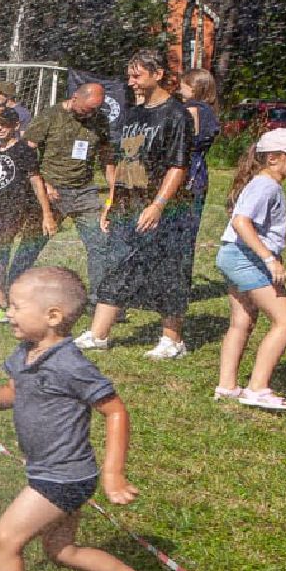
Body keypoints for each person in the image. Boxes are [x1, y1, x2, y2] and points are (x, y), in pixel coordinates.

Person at [0, 266, 173, 571]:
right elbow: (16, 389)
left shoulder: (70, 364)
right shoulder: (26, 353)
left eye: (17, 307)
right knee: (63, 551)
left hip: (62, 477)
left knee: (5, 540)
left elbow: (115, 411)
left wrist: (113, 475)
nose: (9, 313)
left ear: (52, 316)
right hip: (54, 472)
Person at [75, 51, 192, 358]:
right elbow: (120, 163)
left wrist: (158, 205)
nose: (131, 82)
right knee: (116, 264)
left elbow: (177, 166)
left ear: (158, 74)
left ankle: (172, 339)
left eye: (137, 76)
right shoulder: (131, 115)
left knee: (169, 269)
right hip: (127, 204)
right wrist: (111, 202)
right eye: (129, 76)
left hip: (162, 208)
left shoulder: (175, 114)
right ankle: (99, 334)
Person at [213, 129, 286, 411]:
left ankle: (227, 386)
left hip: (232, 255)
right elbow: (241, 222)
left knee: (242, 322)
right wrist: (270, 259)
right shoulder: (266, 185)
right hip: (246, 258)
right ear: (273, 158)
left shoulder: (264, 183)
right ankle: (257, 388)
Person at [24, 82, 115, 297]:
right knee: (31, 244)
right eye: (87, 108)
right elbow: (27, 152)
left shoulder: (98, 121)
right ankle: (13, 293)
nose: (90, 114)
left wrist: (114, 189)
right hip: (52, 193)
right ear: (75, 98)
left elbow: (106, 157)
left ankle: (100, 299)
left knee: (100, 245)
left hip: (85, 193)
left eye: (95, 109)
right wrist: (44, 185)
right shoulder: (50, 116)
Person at [0, 110, 55, 322]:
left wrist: (46, 214)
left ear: (15, 125)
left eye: (3, 124)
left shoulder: (24, 150)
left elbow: (36, 181)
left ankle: (5, 303)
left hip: (18, 207)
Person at [177, 68, 220, 266]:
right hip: (200, 173)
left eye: (184, 84)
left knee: (176, 230)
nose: (179, 88)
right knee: (188, 232)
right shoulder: (210, 111)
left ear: (195, 87)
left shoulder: (192, 109)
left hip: (185, 173)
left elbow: (185, 143)